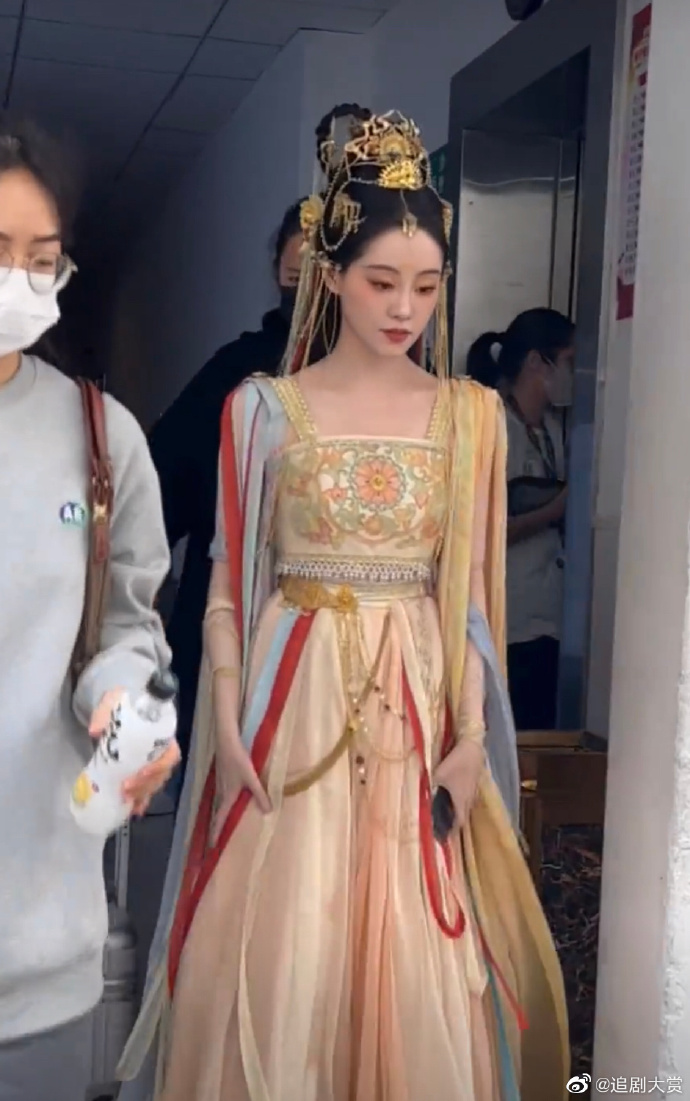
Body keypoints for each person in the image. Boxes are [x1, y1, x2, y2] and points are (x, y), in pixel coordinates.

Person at [120, 106, 568, 1101]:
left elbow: (471, 601)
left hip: (415, 700)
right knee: (286, 943)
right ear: (329, 274)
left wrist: (468, 738)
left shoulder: (470, 417)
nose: (405, 307)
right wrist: (226, 716)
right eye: (381, 281)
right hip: (292, 702)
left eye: (427, 285)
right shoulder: (261, 411)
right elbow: (227, 583)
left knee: (413, 947)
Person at [0, 118, 180, 1101]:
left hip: (38, 949)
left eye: (43, 259)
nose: (19, 282)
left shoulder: (99, 438)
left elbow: (122, 624)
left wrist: (123, 702)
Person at [148, 199, 304, 782]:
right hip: (235, 611)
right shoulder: (240, 375)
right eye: (296, 275)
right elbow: (162, 485)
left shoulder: (397, 391)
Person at [467, 308, 575, 730]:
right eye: (567, 361)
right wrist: (553, 511)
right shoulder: (492, 426)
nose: (573, 374)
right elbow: (480, 531)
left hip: (552, 615)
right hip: (510, 618)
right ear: (536, 362)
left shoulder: (555, 430)